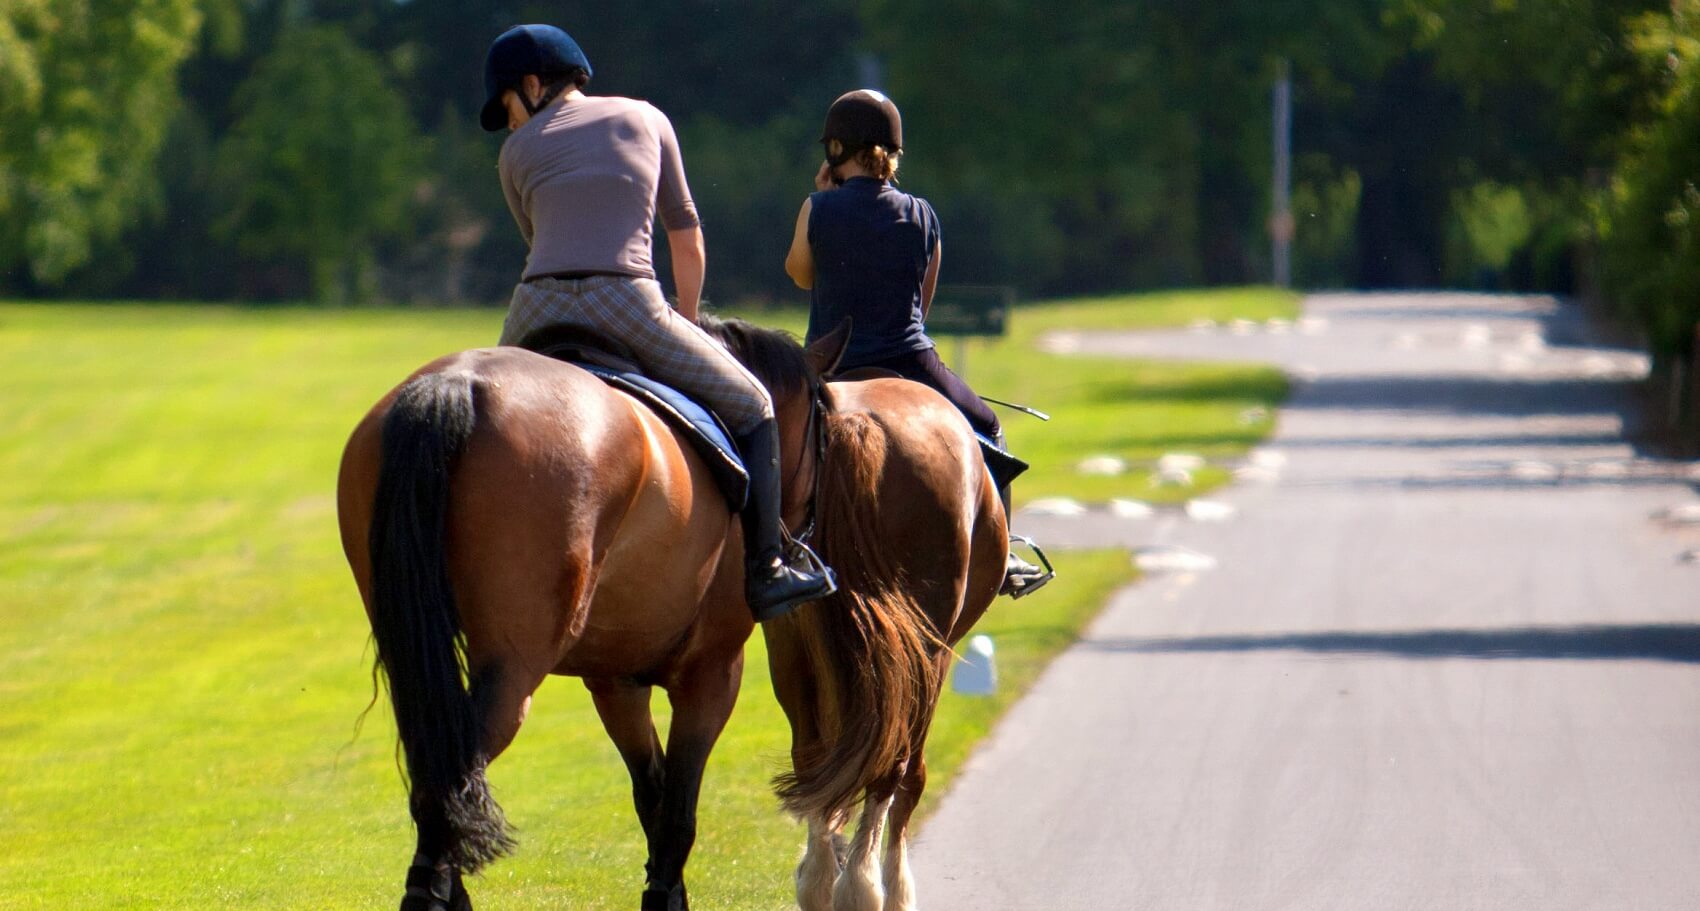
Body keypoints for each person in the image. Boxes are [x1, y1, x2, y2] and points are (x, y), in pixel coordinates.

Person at [482, 24, 834, 620]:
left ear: (535, 85)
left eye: (508, 106)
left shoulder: (514, 154)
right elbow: (685, 234)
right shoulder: (649, 119)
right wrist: (690, 322)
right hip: (627, 302)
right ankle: (769, 568)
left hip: (534, 304)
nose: (511, 121)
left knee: (486, 422)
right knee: (754, 405)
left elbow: (541, 243)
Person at [783, 89, 1048, 597]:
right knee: (988, 425)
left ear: (836, 149)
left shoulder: (816, 208)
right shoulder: (924, 215)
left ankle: (766, 553)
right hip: (909, 359)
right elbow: (921, 304)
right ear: (892, 152)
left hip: (830, 366)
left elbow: (800, 275)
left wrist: (823, 196)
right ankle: (1003, 553)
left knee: (768, 434)